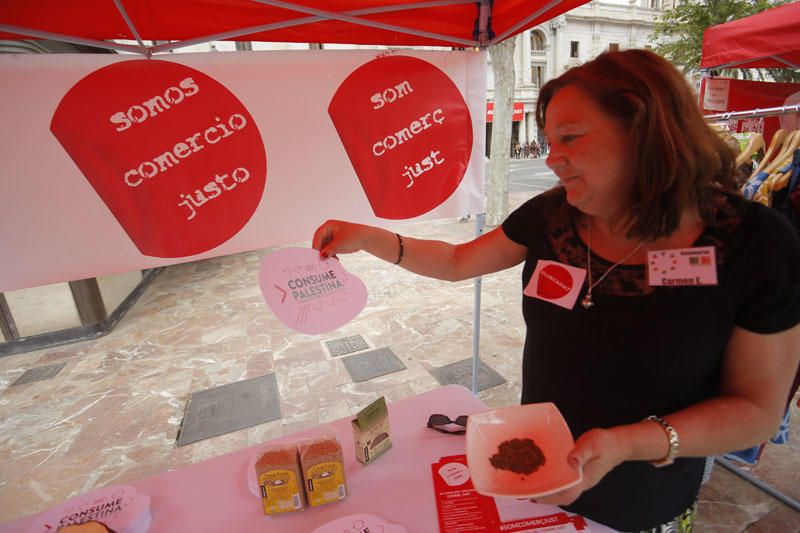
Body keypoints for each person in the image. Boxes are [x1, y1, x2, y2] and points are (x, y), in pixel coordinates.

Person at [312, 49, 800, 532]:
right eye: (549, 141)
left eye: (570, 137)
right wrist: (370, 237)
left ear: (646, 132)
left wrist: (627, 443)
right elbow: (458, 261)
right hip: (535, 475)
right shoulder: (551, 215)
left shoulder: (754, 245)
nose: (552, 159)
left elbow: (756, 411)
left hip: (645, 498)